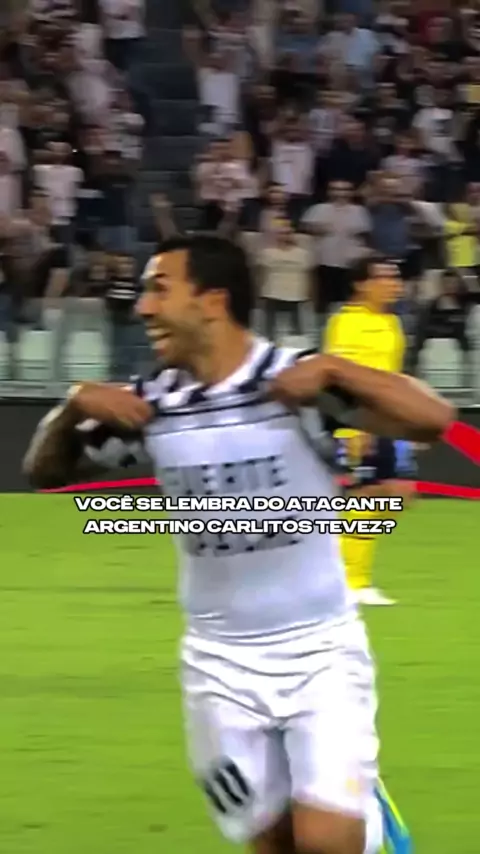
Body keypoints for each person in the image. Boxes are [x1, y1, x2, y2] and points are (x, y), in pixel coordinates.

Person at [24, 235, 453, 854]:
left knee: (325, 842)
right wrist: (71, 410)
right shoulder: (152, 406)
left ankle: (361, 810)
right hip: (218, 666)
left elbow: (434, 419)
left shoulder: (297, 384)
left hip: (320, 651)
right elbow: (45, 473)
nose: (143, 307)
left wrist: (336, 370)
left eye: (159, 289)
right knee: (273, 843)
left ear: (212, 301)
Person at [323, 257, 416, 606]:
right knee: (368, 496)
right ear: (361, 284)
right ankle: (352, 581)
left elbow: (392, 374)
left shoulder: (391, 321)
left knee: (399, 493)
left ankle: (340, 569)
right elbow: (341, 377)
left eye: (396, 277)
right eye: (384, 277)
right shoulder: (347, 322)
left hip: (389, 419)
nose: (394, 284)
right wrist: (352, 427)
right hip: (361, 420)